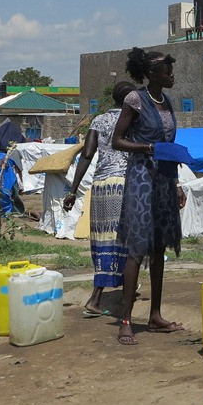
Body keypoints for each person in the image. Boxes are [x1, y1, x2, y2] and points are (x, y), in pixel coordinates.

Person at [111, 47, 187, 346]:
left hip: (164, 180)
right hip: (141, 179)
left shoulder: (167, 102)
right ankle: (126, 321)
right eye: (167, 71)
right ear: (152, 74)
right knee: (137, 247)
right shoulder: (135, 99)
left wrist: (177, 184)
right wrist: (148, 148)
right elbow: (117, 140)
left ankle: (155, 315)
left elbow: (169, 145)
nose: (171, 75)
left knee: (158, 247)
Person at [62, 81, 136, 317]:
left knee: (103, 239)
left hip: (101, 186)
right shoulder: (134, 120)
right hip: (124, 184)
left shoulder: (99, 120)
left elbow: (87, 154)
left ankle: (101, 295)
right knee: (127, 239)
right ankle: (112, 296)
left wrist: (73, 190)